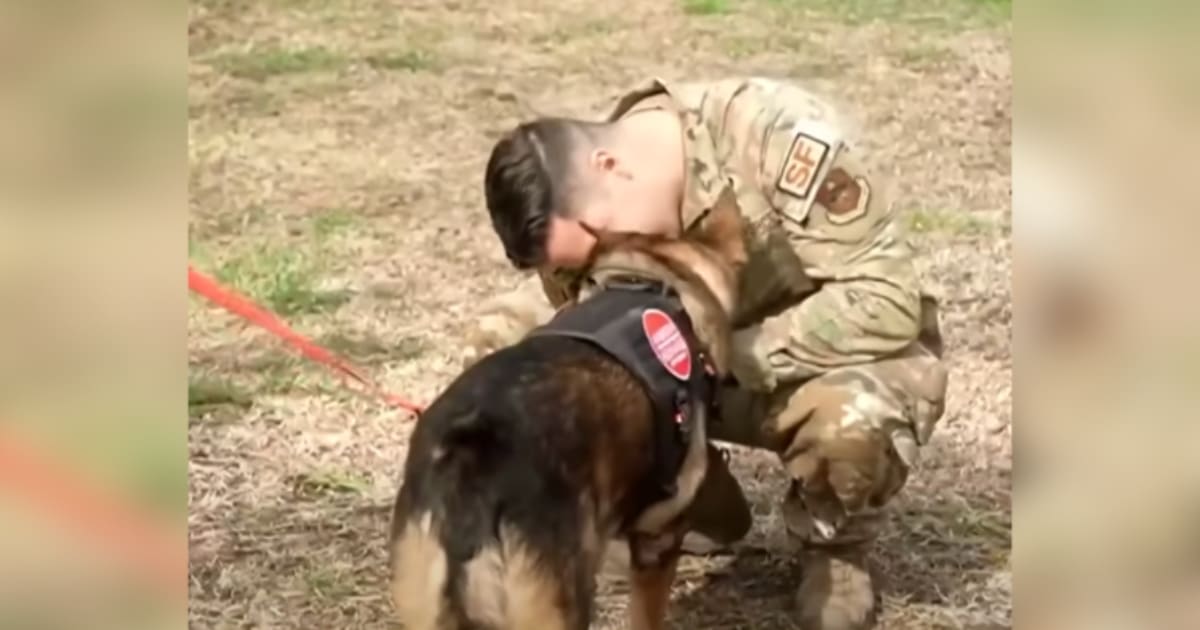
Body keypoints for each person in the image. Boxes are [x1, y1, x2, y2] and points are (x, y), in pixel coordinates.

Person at [468, 76, 949, 630]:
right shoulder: (581, 210)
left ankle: (834, 548)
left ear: (608, 166)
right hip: (683, 356)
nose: (603, 260)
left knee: (853, 424)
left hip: (803, 360)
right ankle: (692, 502)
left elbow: (886, 300)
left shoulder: (773, 139)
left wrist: (720, 352)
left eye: (600, 240)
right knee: (504, 355)